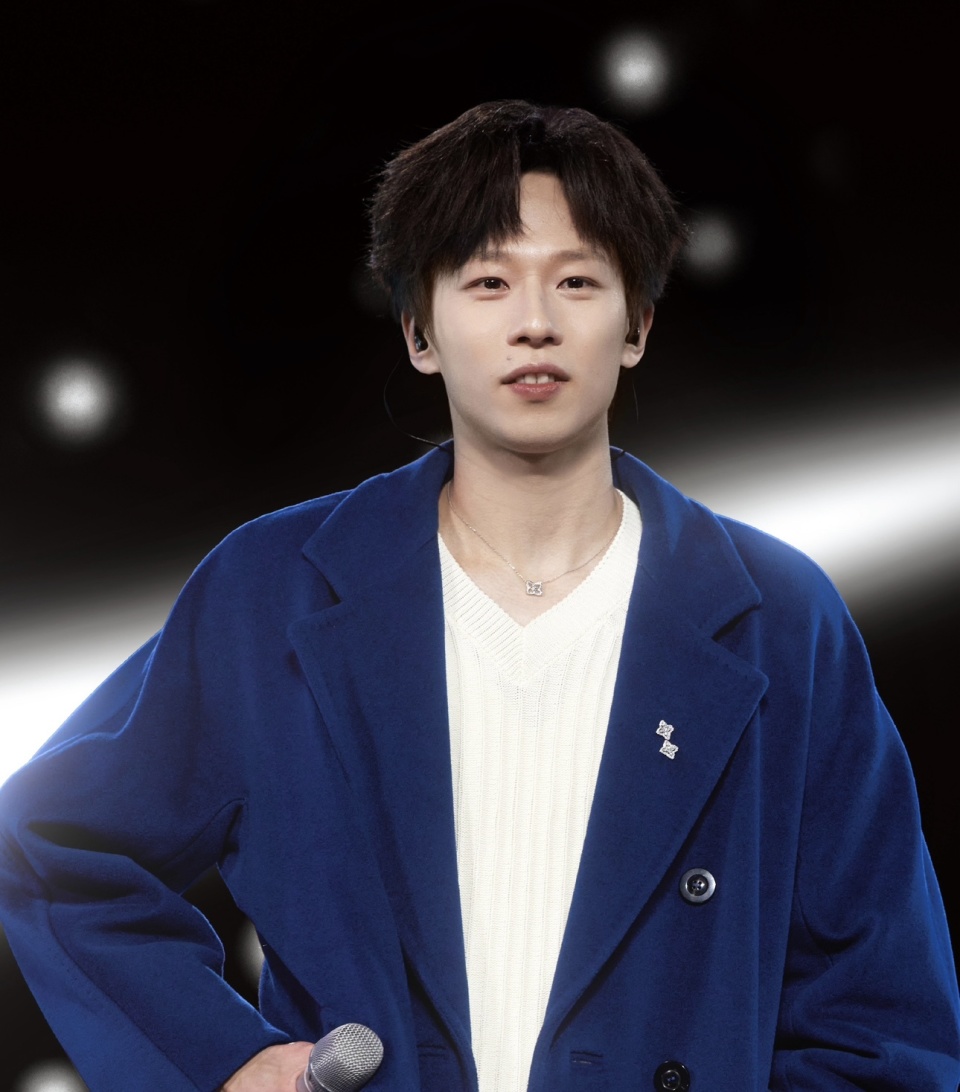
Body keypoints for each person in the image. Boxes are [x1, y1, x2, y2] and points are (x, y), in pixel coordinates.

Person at [0, 100, 958, 1092]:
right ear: (420, 330)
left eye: (578, 280)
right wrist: (222, 1058)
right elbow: (52, 845)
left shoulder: (779, 617)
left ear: (636, 324)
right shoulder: (272, 592)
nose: (534, 322)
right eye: (489, 281)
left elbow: (882, 1015)